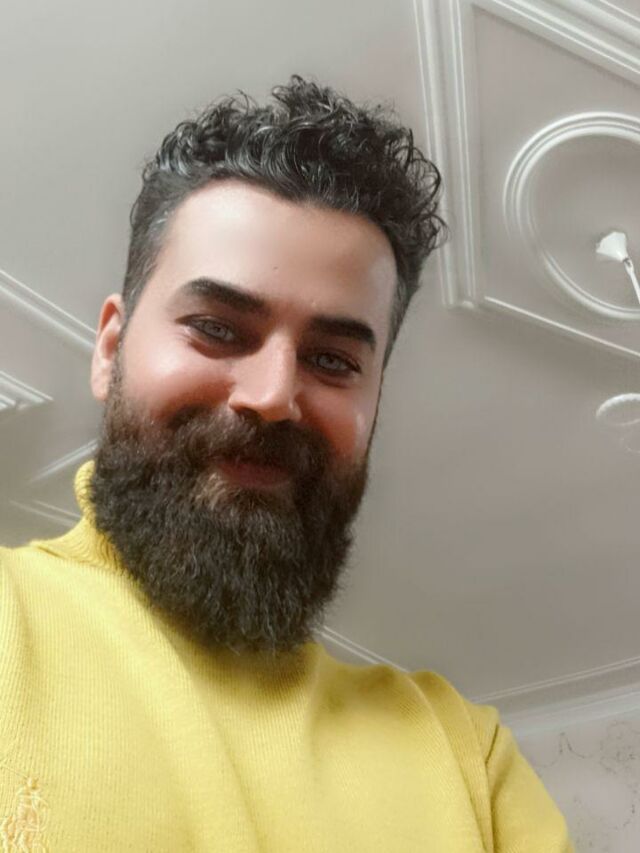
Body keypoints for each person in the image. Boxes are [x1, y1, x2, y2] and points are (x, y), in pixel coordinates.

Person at [0, 76, 573, 851]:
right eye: (217, 327)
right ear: (110, 349)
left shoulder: (468, 754)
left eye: (333, 360)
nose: (272, 396)